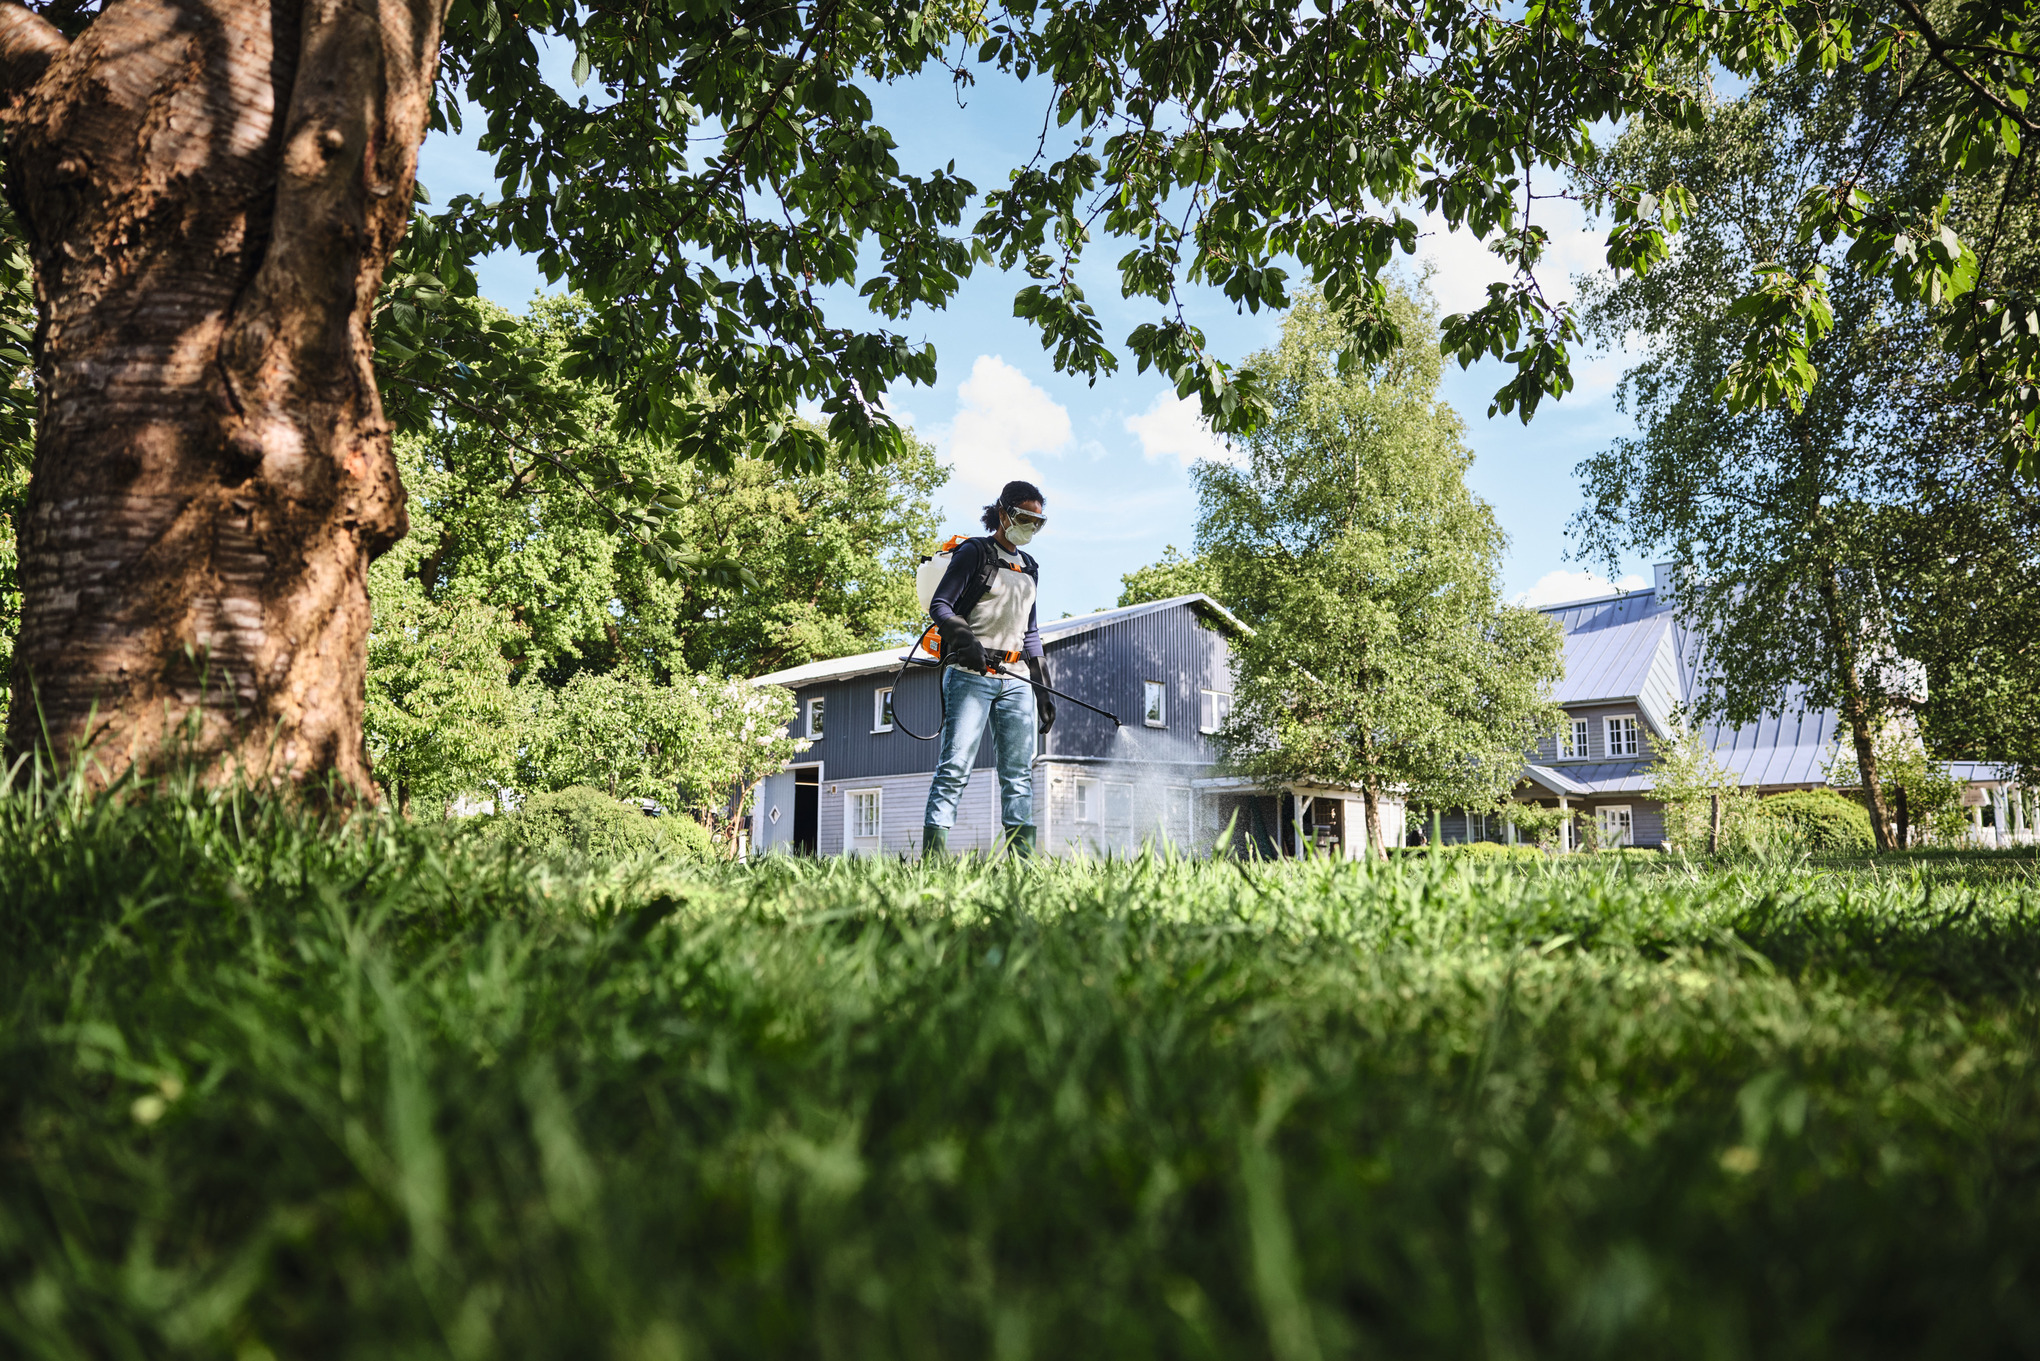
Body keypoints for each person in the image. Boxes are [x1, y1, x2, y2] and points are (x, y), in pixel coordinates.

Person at [921, 480, 1056, 857]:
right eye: (1025, 518)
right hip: (970, 675)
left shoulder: (1030, 567)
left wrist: (1042, 689)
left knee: (1018, 775)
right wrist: (965, 642)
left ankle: (1022, 863)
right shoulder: (975, 552)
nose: (1031, 527)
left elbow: (1030, 633)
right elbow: (941, 605)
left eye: (1038, 521)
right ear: (1004, 513)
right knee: (955, 768)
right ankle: (933, 859)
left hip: (1016, 681)